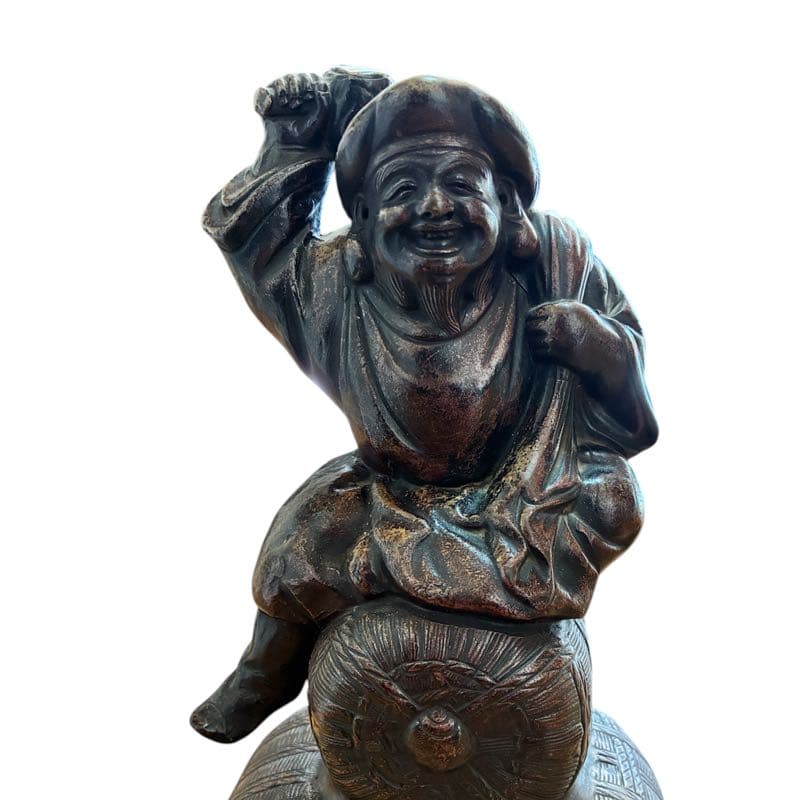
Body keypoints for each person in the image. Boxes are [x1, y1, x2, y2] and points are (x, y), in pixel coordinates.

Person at [191, 69, 658, 743]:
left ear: (507, 203)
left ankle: (484, 599)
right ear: (364, 220)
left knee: (613, 495)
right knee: (297, 548)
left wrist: (598, 346)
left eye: (462, 184)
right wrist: (295, 141)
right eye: (403, 191)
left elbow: (630, 412)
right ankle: (265, 671)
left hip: (523, 500)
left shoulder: (553, 263)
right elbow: (263, 245)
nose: (435, 206)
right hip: (389, 498)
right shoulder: (337, 285)